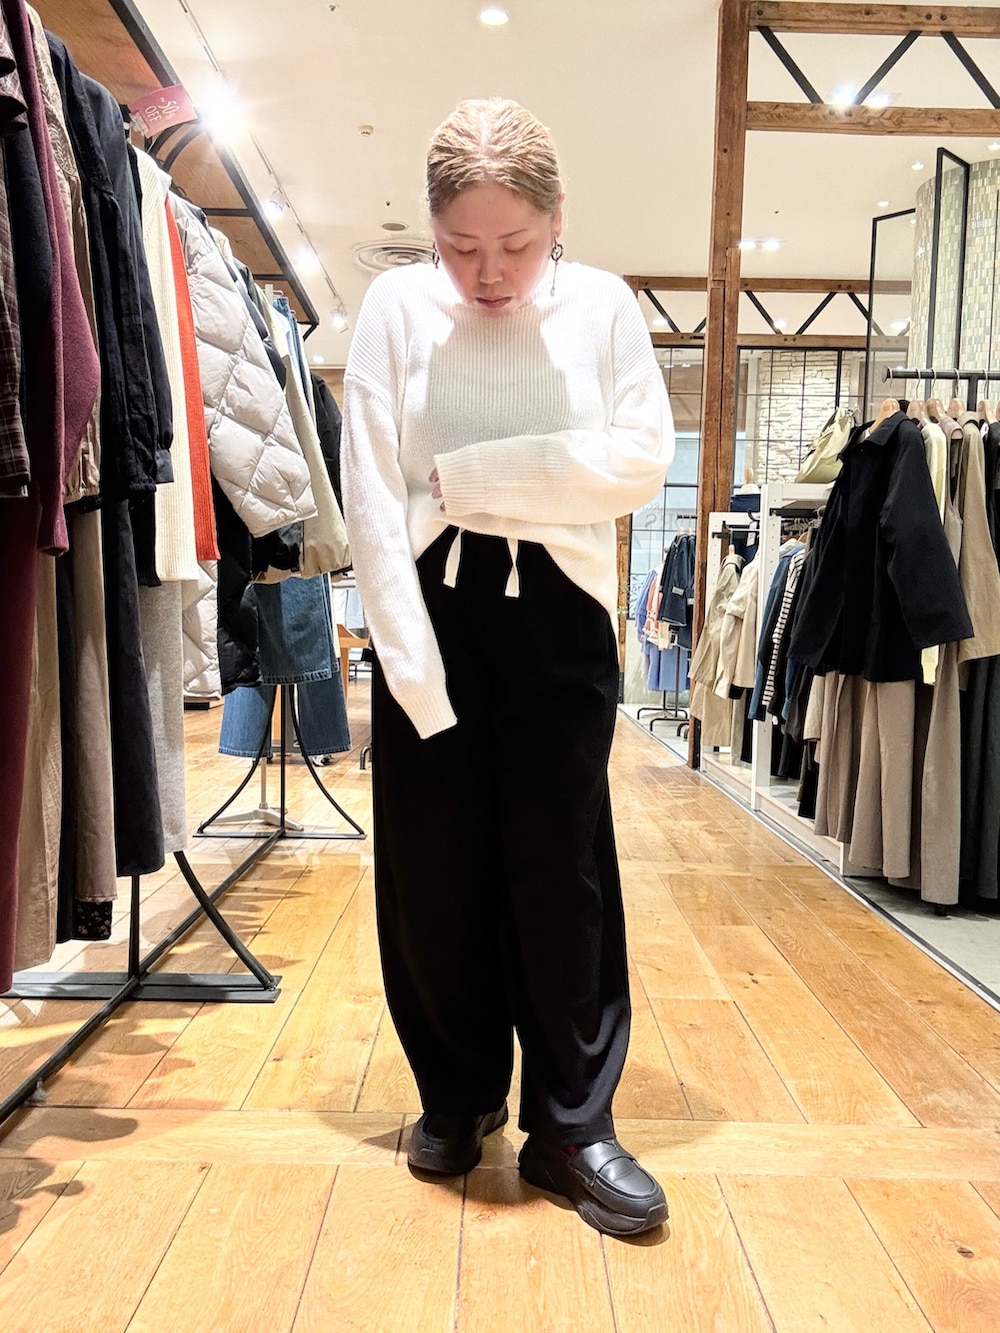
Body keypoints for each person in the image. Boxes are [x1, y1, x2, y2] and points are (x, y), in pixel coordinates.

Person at [342, 98, 675, 1238]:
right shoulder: (395, 308)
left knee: (561, 866)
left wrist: (480, 477)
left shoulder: (603, 306)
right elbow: (373, 494)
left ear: (558, 218)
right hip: (427, 608)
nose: (488, 273)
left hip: (561, 615)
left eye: (516, 245)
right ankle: (457, 1093)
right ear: (429, 230)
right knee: (432, 864)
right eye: (460, 246)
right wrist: (407, 663)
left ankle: (573, 1124)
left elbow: (639, 458)